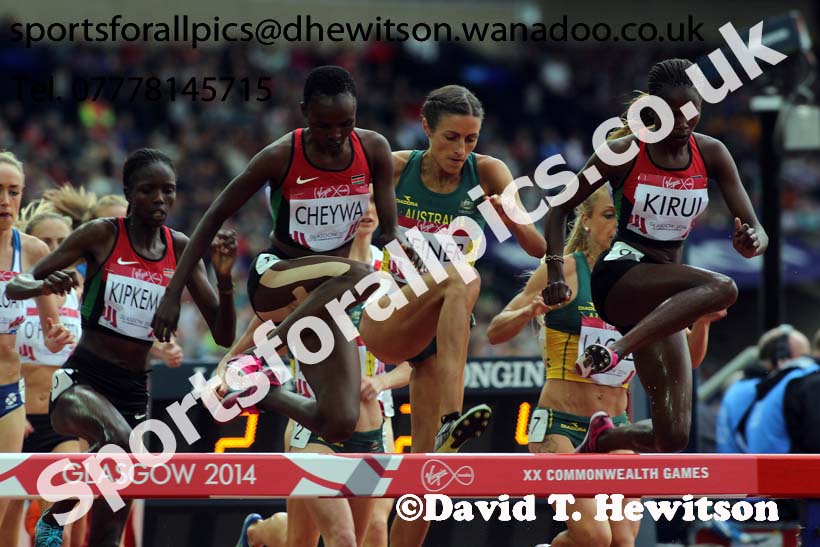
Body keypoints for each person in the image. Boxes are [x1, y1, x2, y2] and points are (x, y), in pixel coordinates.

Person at [152, 65, 415, 445]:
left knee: (339, 420)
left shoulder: (373, 148)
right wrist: (173, 294)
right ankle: (267, 350)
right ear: (305, 111)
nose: (337, 136)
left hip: (325, 300)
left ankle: (259, 389)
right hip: (277, 276)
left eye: (346, 123)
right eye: (326, 126)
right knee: (364, 274)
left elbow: (389, 233)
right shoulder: (281, 156)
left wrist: (412, 263)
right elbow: (214, 217)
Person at [7, 148, 239, 547]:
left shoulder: (180, 248)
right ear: (129, 192)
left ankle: (72, 513)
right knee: (119, 441)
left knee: (110, 532)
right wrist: (47, 282)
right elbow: (18, 284)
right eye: (149, 190)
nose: (160, 200)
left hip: (133, 392)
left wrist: (223, 279)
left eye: (169, 191)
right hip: (80, 384)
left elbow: (223, 334)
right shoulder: (102, 234)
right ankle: (57, 514)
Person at [542, 58, 767, 454]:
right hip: (622, 278)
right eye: (673, 113)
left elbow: (757, 231)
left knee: (672, 438)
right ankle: (614, 351)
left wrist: (751, 240)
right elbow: (559, 209)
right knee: (724, 287)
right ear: (653, 113)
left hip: (664, 294)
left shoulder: (712, 153)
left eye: (691, 112)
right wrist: (555, 270)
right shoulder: (624, 152)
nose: (683, 122)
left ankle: (603, 437)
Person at [488, 186, 723, 547]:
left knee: (622, 540)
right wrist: (528, 311)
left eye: (622, 218)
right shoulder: (564, 270)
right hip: (560, 424)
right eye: (608, 216)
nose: (617, 225)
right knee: (595, 536)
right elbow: (494, 331)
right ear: (585, 220)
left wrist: (703, 323)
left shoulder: (643, 281)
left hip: (616, 429)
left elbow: (686, 361)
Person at [232, 191, 412, 547]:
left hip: (377, 419)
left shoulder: (395, 269)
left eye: (376, 201)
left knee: (372, 531)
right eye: (360, 202)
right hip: (313, 419)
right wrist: (227, 369)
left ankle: (261, 531)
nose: (368, 210)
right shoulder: (318, 269)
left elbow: (417, 359)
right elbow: (258, 335)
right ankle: (258, 532)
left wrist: (382, 380)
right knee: (328, 538)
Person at [0, 204, 86, 547]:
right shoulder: (19, 284)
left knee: (54, 526)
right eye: (46, 241)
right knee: (6, 527)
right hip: (16, 414)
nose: (53, 250)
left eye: (62, 242)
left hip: (59, 424)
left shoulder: (81, 291)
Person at [716, 324, 810, 454]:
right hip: (753, 469)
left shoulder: (739, 387)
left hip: (734, 466)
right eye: (803, 358)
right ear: (783, 358)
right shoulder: (767, 389)